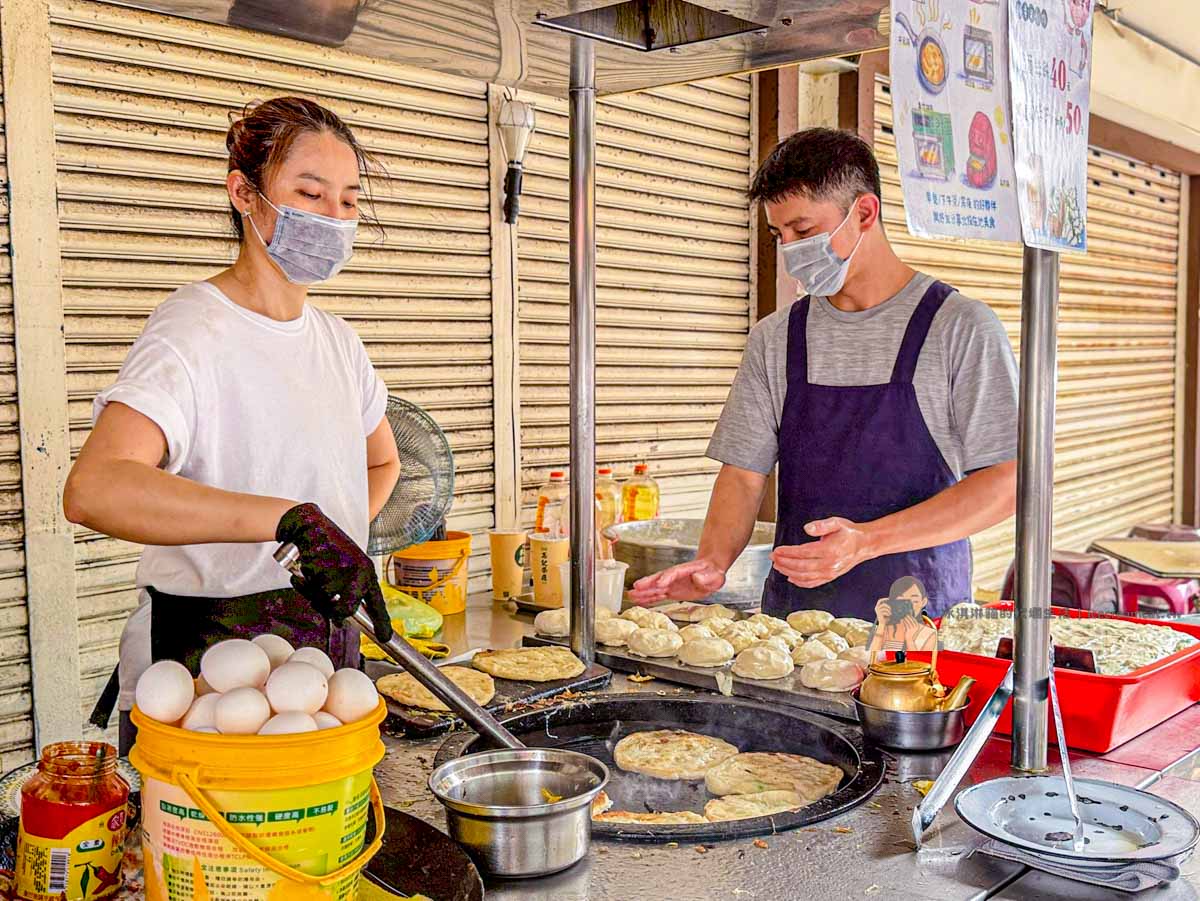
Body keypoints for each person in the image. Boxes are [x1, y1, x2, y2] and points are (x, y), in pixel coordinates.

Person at [64, 97, 400, 752]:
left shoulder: (338, 342)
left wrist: (331, 541)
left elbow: (382, 462)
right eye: (310, 193)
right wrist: (288, 520)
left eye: (349, 200)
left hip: (320, 670)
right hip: (200, 687)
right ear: (244, 193)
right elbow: (95, 488)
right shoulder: (194, 329)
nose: (333, 217)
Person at [631, 128, 1018, 619]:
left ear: (864, 212)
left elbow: (1007, 484)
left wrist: (866, 541)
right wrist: (712, 560)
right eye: (778, 235)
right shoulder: (776, 339)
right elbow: (743, 475)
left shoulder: (959, 328)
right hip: (794, 627)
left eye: (804, 230)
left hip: (920, 632)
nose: (789, 250)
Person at [865, 576, 939, 656]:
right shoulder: (885, 629)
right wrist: (881, 624)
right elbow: (872, 659)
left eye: (914, 601)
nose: (908, 607)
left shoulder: (929, 633)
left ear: (923, 602)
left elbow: (921, 664)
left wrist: (910, 640)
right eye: (901, 601)